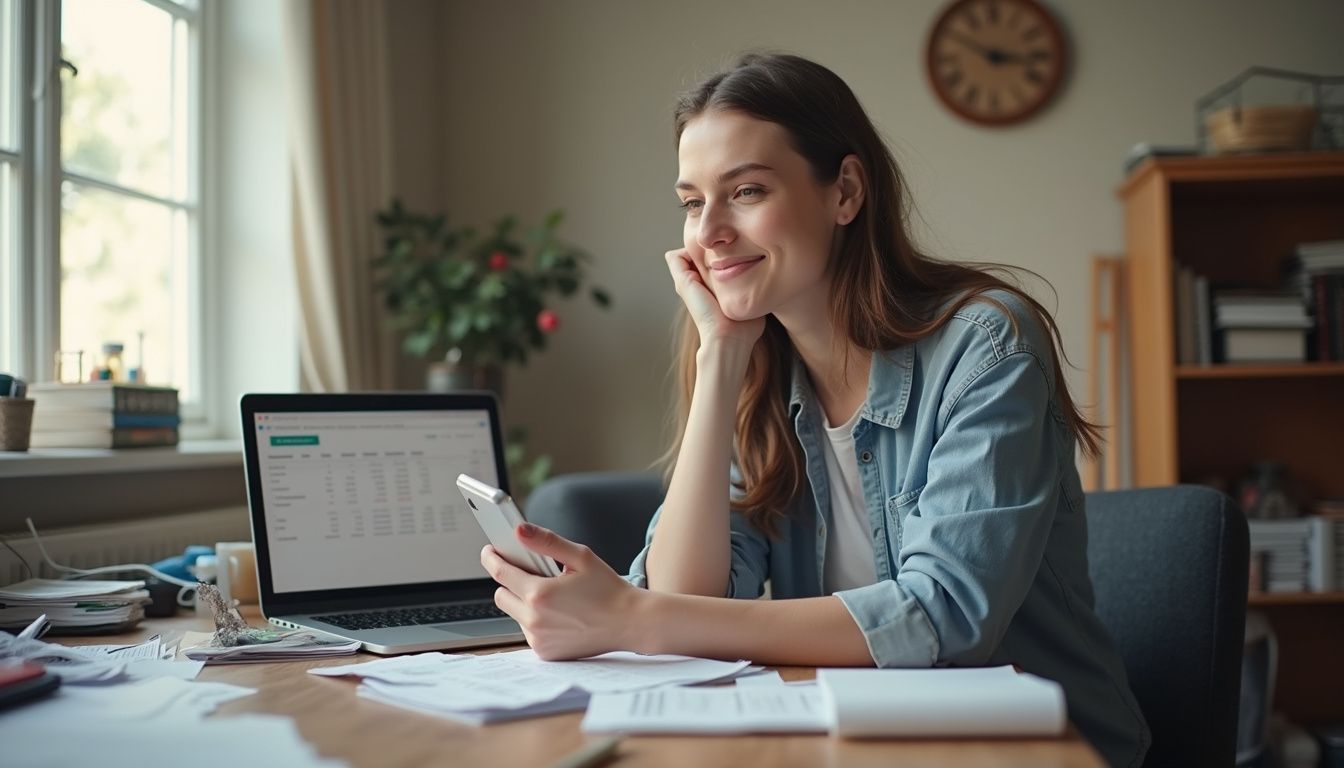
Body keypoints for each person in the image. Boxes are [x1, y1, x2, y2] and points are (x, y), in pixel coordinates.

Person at [480, 52, 1149, 767]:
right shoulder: (758, 368)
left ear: (845, 192)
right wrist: (719, 361)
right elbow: (689, 592)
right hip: (850, 741)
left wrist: (632, 616)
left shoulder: (986, 346)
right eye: (690, 202)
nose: (708, 232)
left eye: (746, 191)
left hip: (1029, 749)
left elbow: (945, 616)